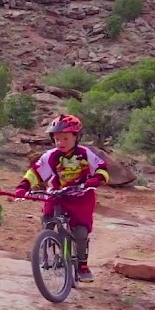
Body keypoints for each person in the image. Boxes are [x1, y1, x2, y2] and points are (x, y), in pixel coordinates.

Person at [13, 114, 110, 282]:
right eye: (57, 139)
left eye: (65, 138)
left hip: (81, 197)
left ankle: (82, 265)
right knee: (48, 219)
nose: (60, 143)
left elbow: (102, 168)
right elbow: (35, 172)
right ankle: (46, 248)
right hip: (57, 194)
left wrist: (96, 179)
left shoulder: (85, 154)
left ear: (76, 137)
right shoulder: (51, 156)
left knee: (80, 231)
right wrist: (23, 187)